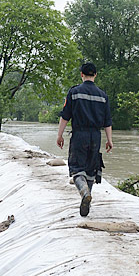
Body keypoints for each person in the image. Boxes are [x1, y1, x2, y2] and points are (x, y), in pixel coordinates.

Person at [56, 62, 113, 217]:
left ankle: (84, 193)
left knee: (76, 169)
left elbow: (65, 116)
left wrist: (59, 135)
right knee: (90, 170)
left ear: (82, 74)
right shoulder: (103, 96)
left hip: (79, 135)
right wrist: (109, 140)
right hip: (96, 136)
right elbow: (107, 121)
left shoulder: (74, 92)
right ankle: (86, 196)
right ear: (95, 75)